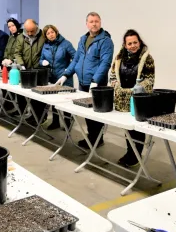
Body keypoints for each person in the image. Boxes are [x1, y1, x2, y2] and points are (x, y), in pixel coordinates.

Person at [56, 12, 114, 149]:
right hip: (83, 82)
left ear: (100, 23)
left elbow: (105, 62)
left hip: (96, 84)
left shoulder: (106, 41)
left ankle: (97, 139)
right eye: (91, 21)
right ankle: (91, 137)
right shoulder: (83, 39)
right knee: (86, 112)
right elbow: (76, 59)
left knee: (96, 113)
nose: (94, 24)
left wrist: (95, 80)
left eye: (96, 21)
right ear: (86, 24)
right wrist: (66, 74)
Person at [109, 29, 155, 167]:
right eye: (130, 43)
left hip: (139, 101)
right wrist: (115, 85)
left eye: (135, 42)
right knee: (127, 128)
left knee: (137, 128)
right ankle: (130, 152)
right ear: (125, 44)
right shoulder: (118, 58)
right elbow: (112, 75)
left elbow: (150, 80)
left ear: (140, 42)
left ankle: (135, 155)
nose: (133, 45)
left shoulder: (147, 58)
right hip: (122, 101)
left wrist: (139, 88)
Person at [41, 24, 75, 130]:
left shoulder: (65, 44)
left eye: (52, 32)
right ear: (45, 36)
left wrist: (67, 70)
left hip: (64, 77)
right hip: (52, 77)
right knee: (53, 101)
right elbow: (40, 59)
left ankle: (67, 123)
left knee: (66, 101)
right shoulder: (45, 46)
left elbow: (76, 57)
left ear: (56, 32)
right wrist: (43, 62)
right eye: (48, 33)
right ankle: (55, 122)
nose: (51, 35)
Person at [15, 19, 47, 124]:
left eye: (32, 31)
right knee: (28, 95)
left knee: (38, 96)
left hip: (39, 70)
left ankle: (40, 117)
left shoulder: (43, 36)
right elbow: (17, 53)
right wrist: (22, 65)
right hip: (26, 70)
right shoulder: (20, 37)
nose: (29, 33)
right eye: (27, 31)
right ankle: (32, 115)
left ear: (36, 27)